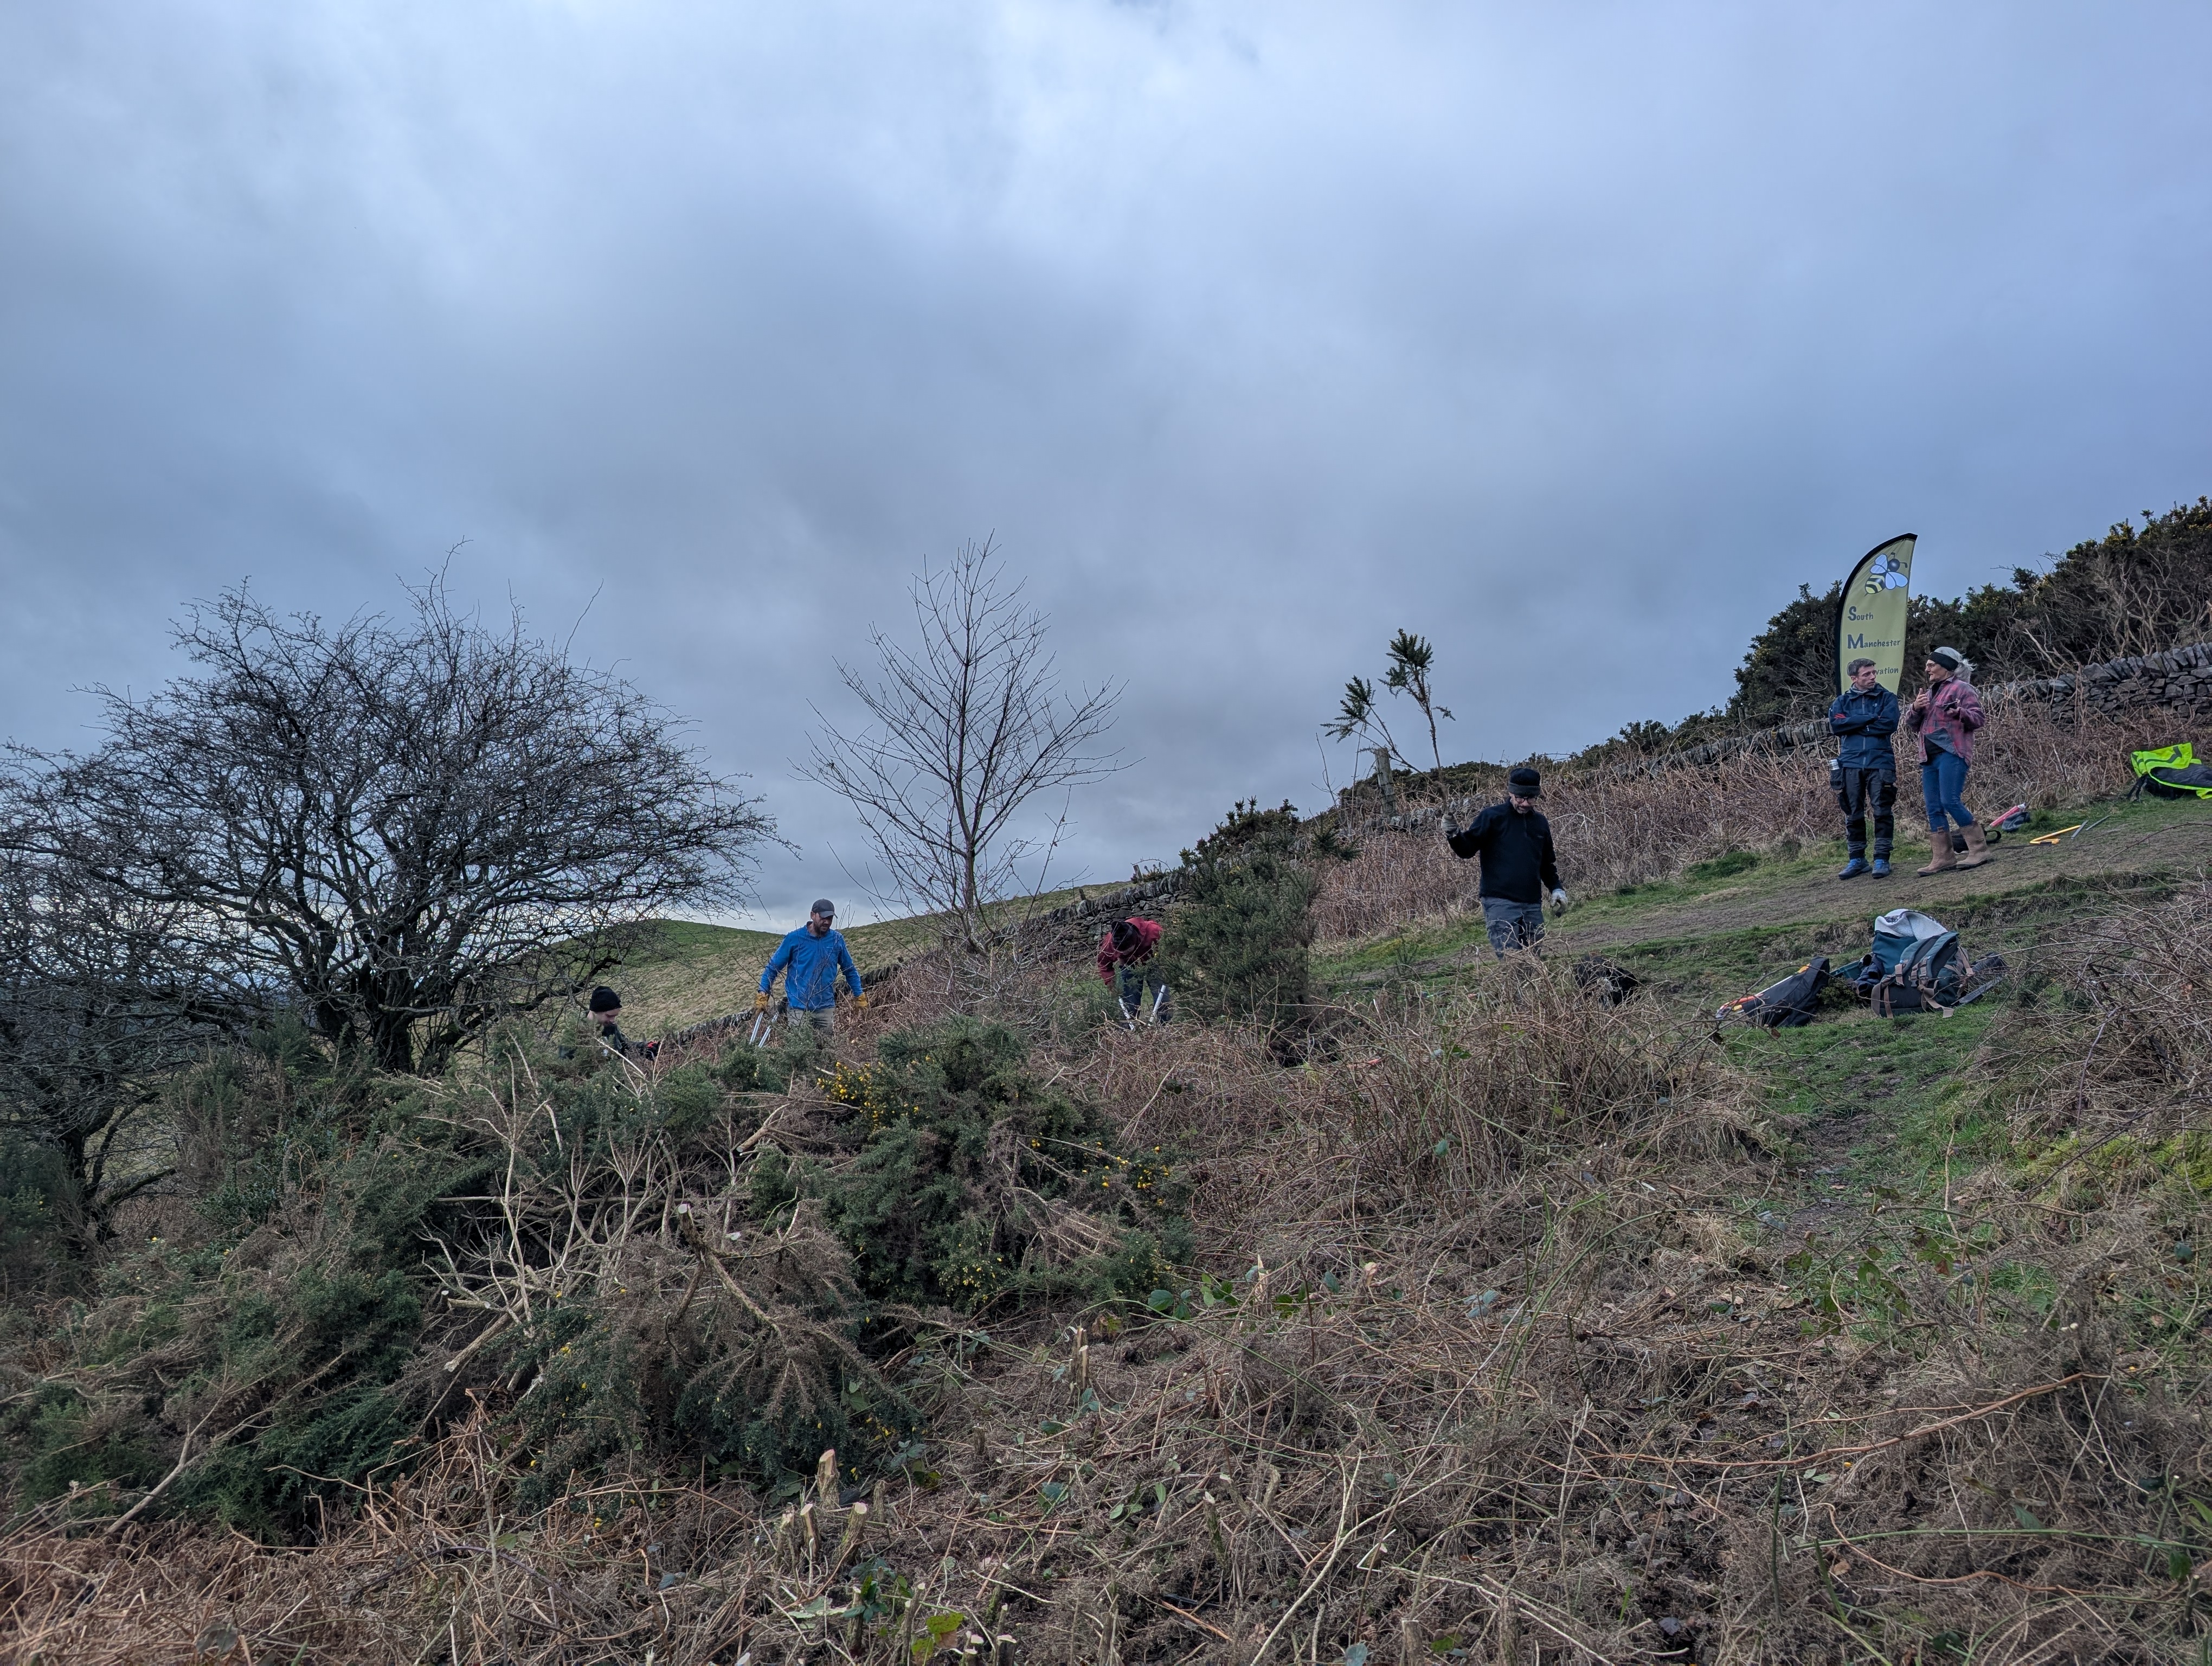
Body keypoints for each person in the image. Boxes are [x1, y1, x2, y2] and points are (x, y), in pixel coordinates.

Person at [1444, 766, 1568, 957]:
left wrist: (1557, 889)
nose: (1525, 804)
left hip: (1532, 904)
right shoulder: (1492, 817)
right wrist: (1454, 834)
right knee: (1512, 962)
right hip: (1500, 903)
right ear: (1510, 792)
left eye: (1531, 798)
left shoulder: (1541, 823)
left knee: (1534, 961)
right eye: (1520, 798)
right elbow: (1466, 850)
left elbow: (1546, 863)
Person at [1904, 647, 1990, 874]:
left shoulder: (1962, 689)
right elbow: (1912, 726)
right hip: (1928, 757)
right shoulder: (1929, 693)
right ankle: (1943, 858)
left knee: (1950, 801)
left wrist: (1960, 712)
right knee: (1933, 807)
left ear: (1946, 667)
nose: (1927, 668)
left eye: (1932, 664)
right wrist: (1915, 708)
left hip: (1952, 753)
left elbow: (1978, 719)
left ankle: (1979, 849)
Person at [1827, 657, 1901, 879]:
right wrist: (1869, 719)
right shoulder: (1841, 702)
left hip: (1880, 761)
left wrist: (1855, 723)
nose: (1872, 677)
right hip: (1849, 763)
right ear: (1854, 678)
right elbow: (1837, 726)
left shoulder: (1887, 698)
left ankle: (1881, 859)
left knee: (1882, 811)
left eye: (1873, 673)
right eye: (1866, 674)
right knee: (1853, 813)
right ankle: (1857, 859)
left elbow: (1889, 724)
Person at [757, 899, 866, 1040]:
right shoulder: (794, 939)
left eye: (830, 918)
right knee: (801, 1050)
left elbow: (850, 970)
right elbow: (773, 968)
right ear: (812, 915)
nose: (827, 922)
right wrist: (763, 994)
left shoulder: (836, 940)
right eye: (823, 917)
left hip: (825, 1007)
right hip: (798, 1008)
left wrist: (859, 996)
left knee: (826, 1050)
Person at [1097, 917, 1169, 1028]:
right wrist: (1110, 982)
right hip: (1128, 965)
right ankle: (1128, 1030)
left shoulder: (1154, 931)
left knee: (1161, 997)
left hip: (1154, 962)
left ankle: (1165, 1028)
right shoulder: (1109, 942)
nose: (1125, 952)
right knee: (1129, 1000)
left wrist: (1169, 964)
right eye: (1122, 952)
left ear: (1135, 939)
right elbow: (1104, 963)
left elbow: (1170, 946)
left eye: (1128, 950)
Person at [586, 986, 657, 1059]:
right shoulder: (576, 1034)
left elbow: (624, 1047)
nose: (613, 1020)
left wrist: (646, 1048)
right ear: (596, 1011)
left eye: (614, 1016)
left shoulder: (610, 1027)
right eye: (609, 1016)